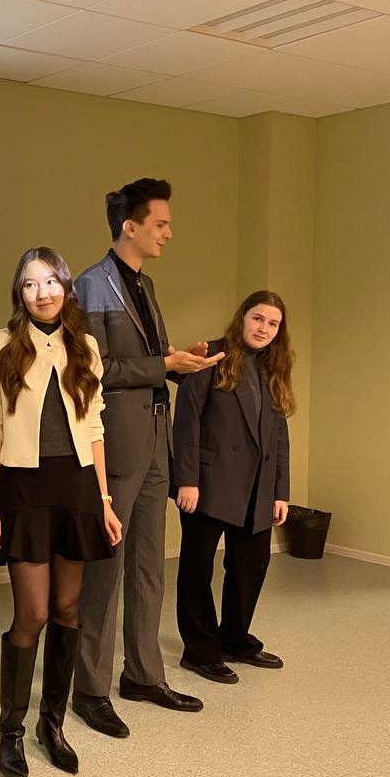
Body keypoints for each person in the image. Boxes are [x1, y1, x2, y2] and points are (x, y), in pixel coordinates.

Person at [72, 178, 222, 738]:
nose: (168, 232)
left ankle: (143, 675)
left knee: (149, 565)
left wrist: (182, 360)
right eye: (161, 223)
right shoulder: (91, 286)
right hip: (116, 443)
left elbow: (149, 359)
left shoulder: (145, 283)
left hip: (157, 438)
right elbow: (94, 369)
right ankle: (90, 689)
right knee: (105, 570)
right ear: (129, 226)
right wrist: (165, 366)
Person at [0, 247, 123, 777]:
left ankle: (52, 724)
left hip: (78, 488)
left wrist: (104, 502)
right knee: (33, 613)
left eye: (52, 282)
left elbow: (96, 427)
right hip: (24, 489)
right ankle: (10, 731)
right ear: (20, 293)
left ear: (66, 287)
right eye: (31, 284)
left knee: (67, 608)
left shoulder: (85, 345)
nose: (43, 293)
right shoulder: (0, 344)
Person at [172, 291, 293, 683]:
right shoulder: (212, 356)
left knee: (250, 567)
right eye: (258, 318)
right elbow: (187, 420)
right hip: (207, 484)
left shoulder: (274, 367)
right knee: (197, 569)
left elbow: (278, 435)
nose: (264, 328)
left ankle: (235, 639)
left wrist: (280, 491)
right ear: (242, 317)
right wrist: (187, 480)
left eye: (273, 323)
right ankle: (200, 651)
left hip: (258, 486)